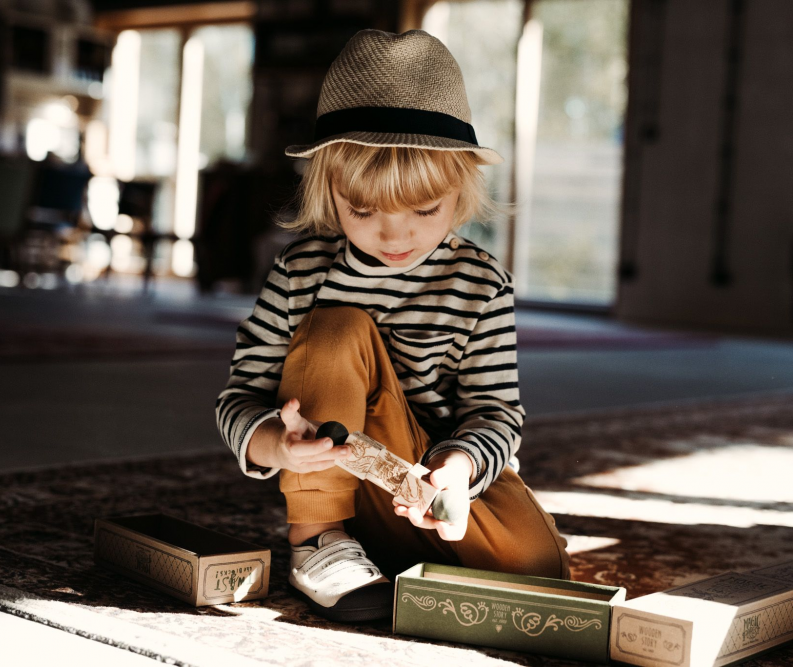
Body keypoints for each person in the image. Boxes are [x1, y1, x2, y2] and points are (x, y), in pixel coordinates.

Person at [214, 28, 570, 623]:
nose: (395, 234)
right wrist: (275, 442)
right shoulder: (300, 272)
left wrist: (455, 474)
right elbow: (239, 397)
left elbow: (497, 413)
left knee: (541, 571)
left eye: (423, 210)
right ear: (330, 190)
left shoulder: (482, 283)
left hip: (428, 484)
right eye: (364, 210)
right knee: (337, 328)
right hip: (335, 477)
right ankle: (319, 542)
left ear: (460, 188)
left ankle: (394, 554)